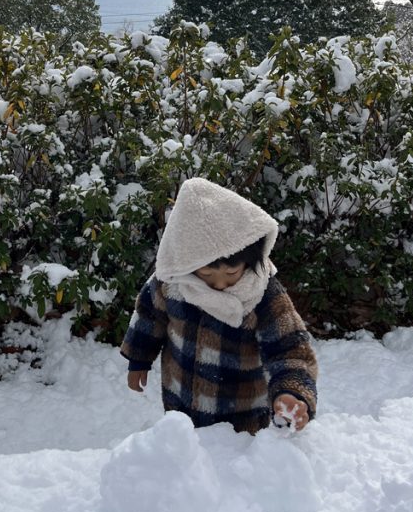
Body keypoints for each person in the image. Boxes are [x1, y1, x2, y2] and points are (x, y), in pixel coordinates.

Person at [121, 177, 317, 434]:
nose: (220, 284)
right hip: (181, 410)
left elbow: (290, 350)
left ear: (251, 258)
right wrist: (138, 359)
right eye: (207, 274)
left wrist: (293, 392)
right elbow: (149, 316)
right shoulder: (172, 282)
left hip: (241, 423)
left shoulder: (262, 294)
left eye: (231, 273)